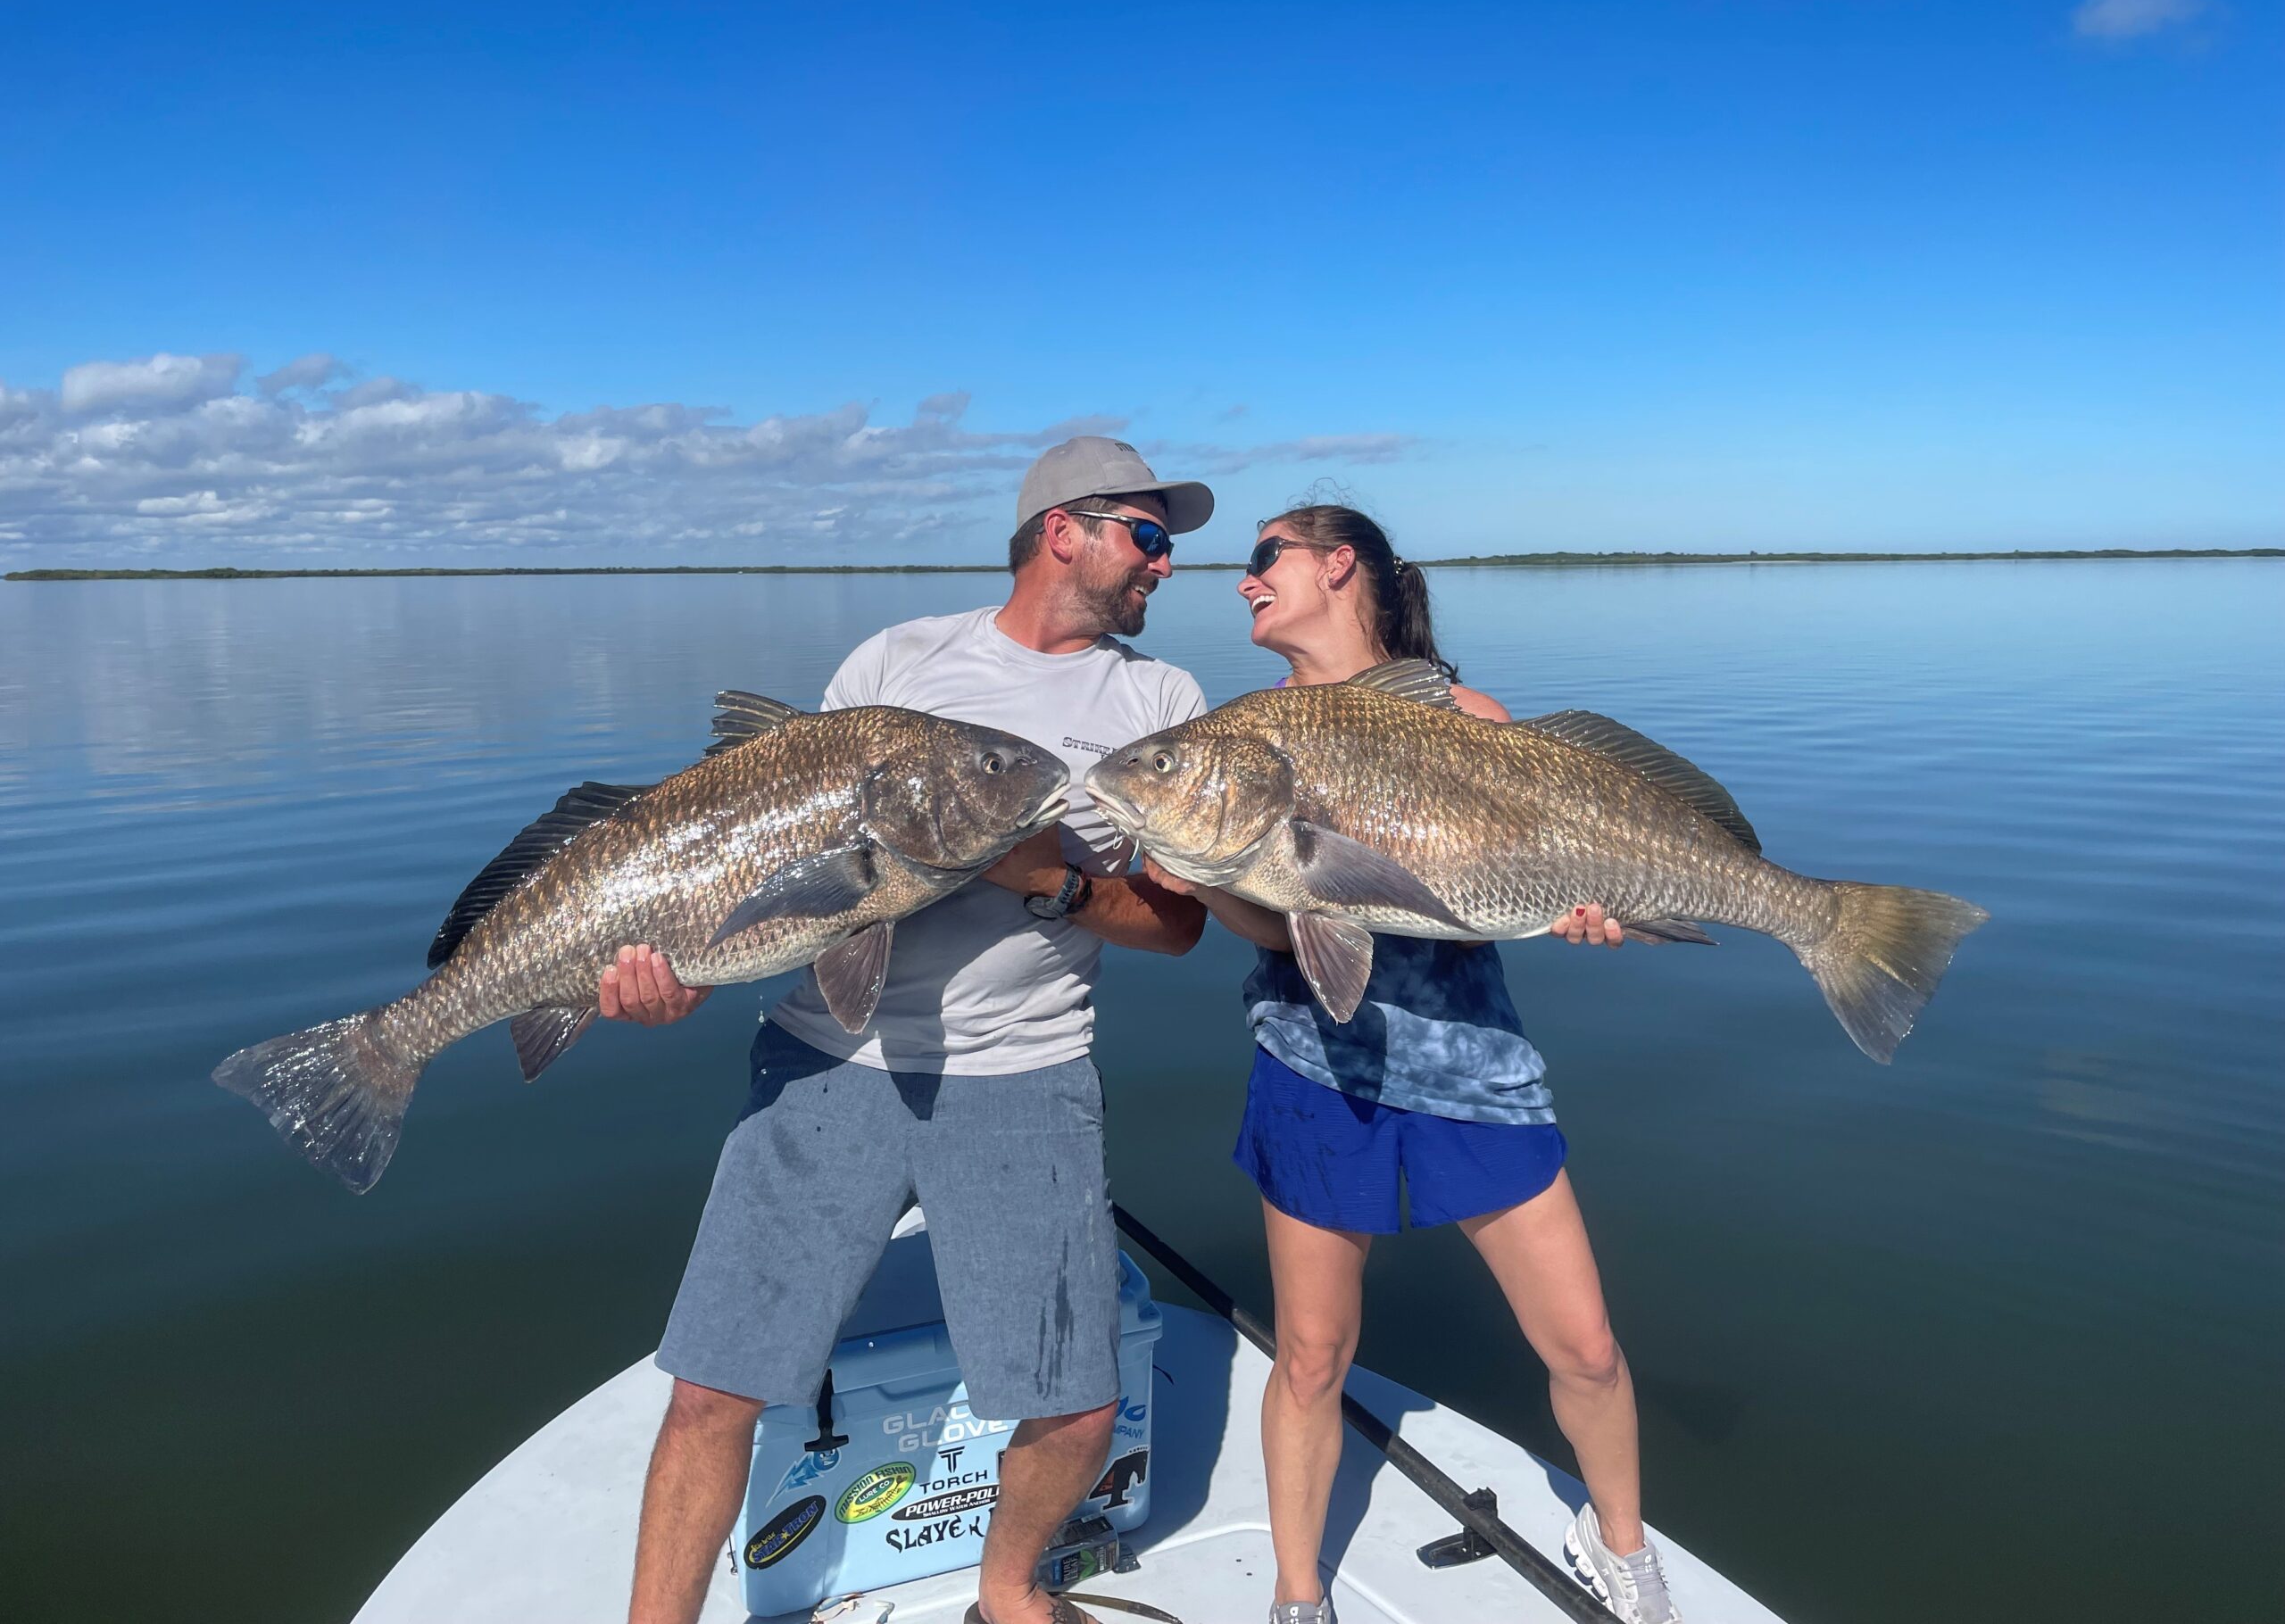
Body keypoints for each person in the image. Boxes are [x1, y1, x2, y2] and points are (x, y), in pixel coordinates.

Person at [604, 435, 1217, 1624]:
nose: (1165, 565)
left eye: (1168, 545)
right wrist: (673, 969)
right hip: (828, 1057)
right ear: (1064, 530)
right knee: (713, 1392)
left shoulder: (1159, 703)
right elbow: (788, 868)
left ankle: (1011, 1592)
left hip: (1025, 1070)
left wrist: (1048, 882)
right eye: (1147, 537)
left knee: (1080, 1405)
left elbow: (1179, 930)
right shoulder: (898, 660)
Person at [1141, 503, 1682, 1624]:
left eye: (1262, 559)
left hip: (1473, 1069)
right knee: (1311, 1354)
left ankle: (1619, 1548)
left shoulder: (1463, 715)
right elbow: (1281, 932)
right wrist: (1208, 878)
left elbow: (1513, 888)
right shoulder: (1244, 740)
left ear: (1338, 566)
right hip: (1313, 1066)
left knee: (1584, 1347)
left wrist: (1598, 905)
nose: (1240, 582)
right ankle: (1298, 1595)